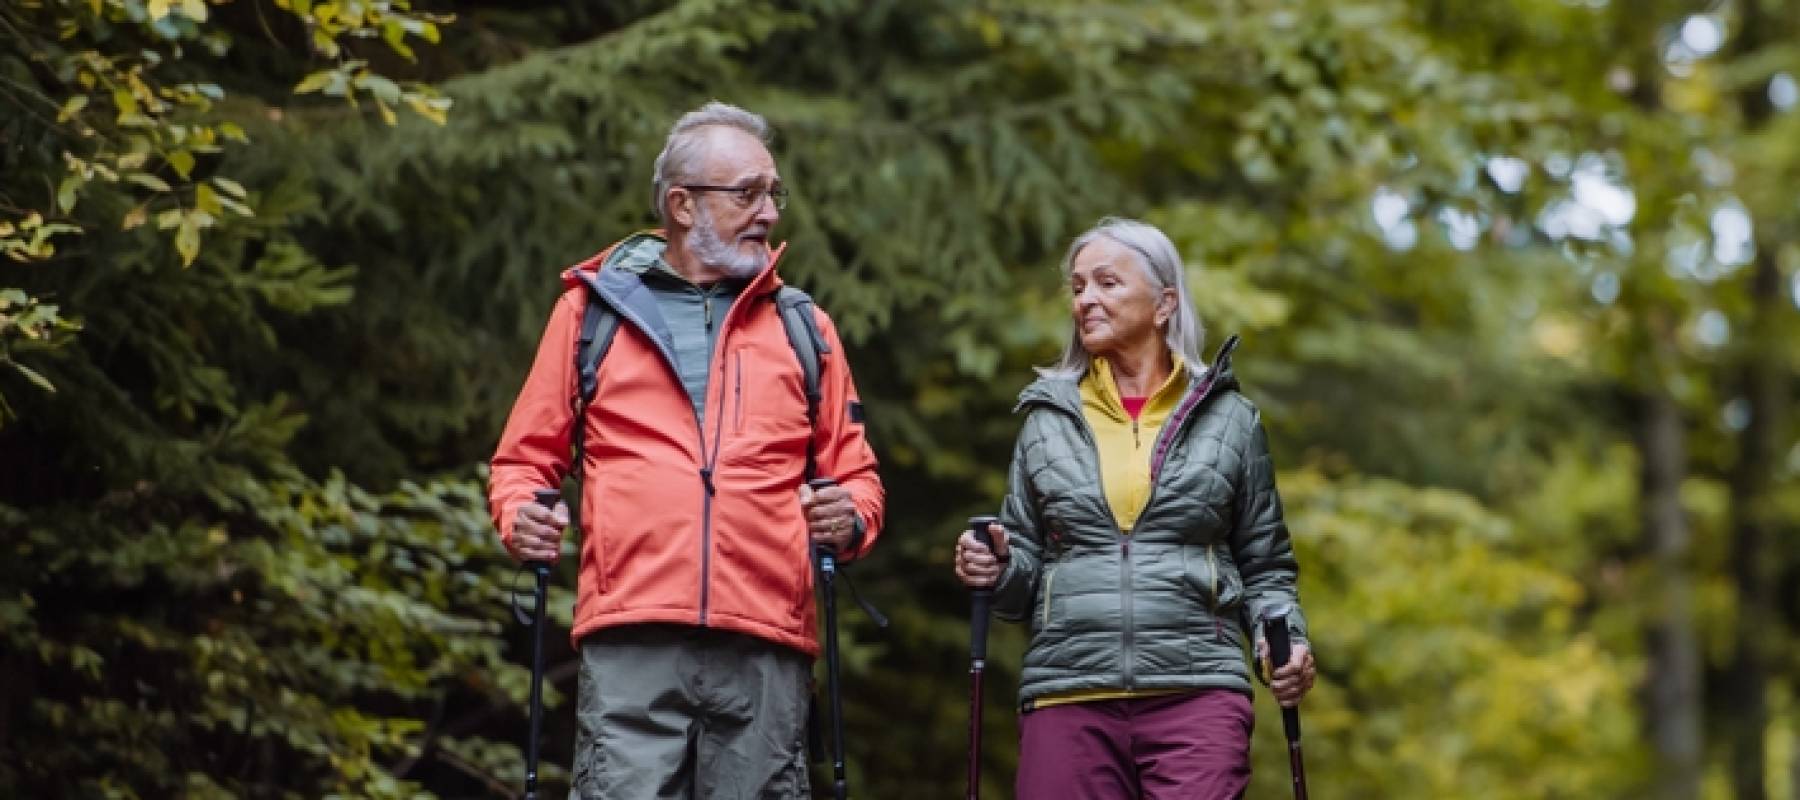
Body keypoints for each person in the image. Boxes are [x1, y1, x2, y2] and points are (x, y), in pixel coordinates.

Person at [488, 101, 884, 799]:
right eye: (747, 193)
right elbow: (523, 461)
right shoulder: (590, 316)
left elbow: (855, 475)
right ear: (680, 204)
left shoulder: (803, 327)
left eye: (773, 193)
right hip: (632, 633)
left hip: (767, 640)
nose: (768, 212)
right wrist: (521, 514)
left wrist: (847, 517)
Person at [953, 217, 1316, 799]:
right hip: (1069, 692)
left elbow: (1266, 566)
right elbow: (1019, 583)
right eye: (1077, 287)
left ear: (1164, 303)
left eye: (1106, 283)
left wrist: (1287, 644)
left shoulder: (1231, 420)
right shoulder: (1046, 420)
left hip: (1197, 694)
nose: (1085, 300)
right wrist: (994, 567)